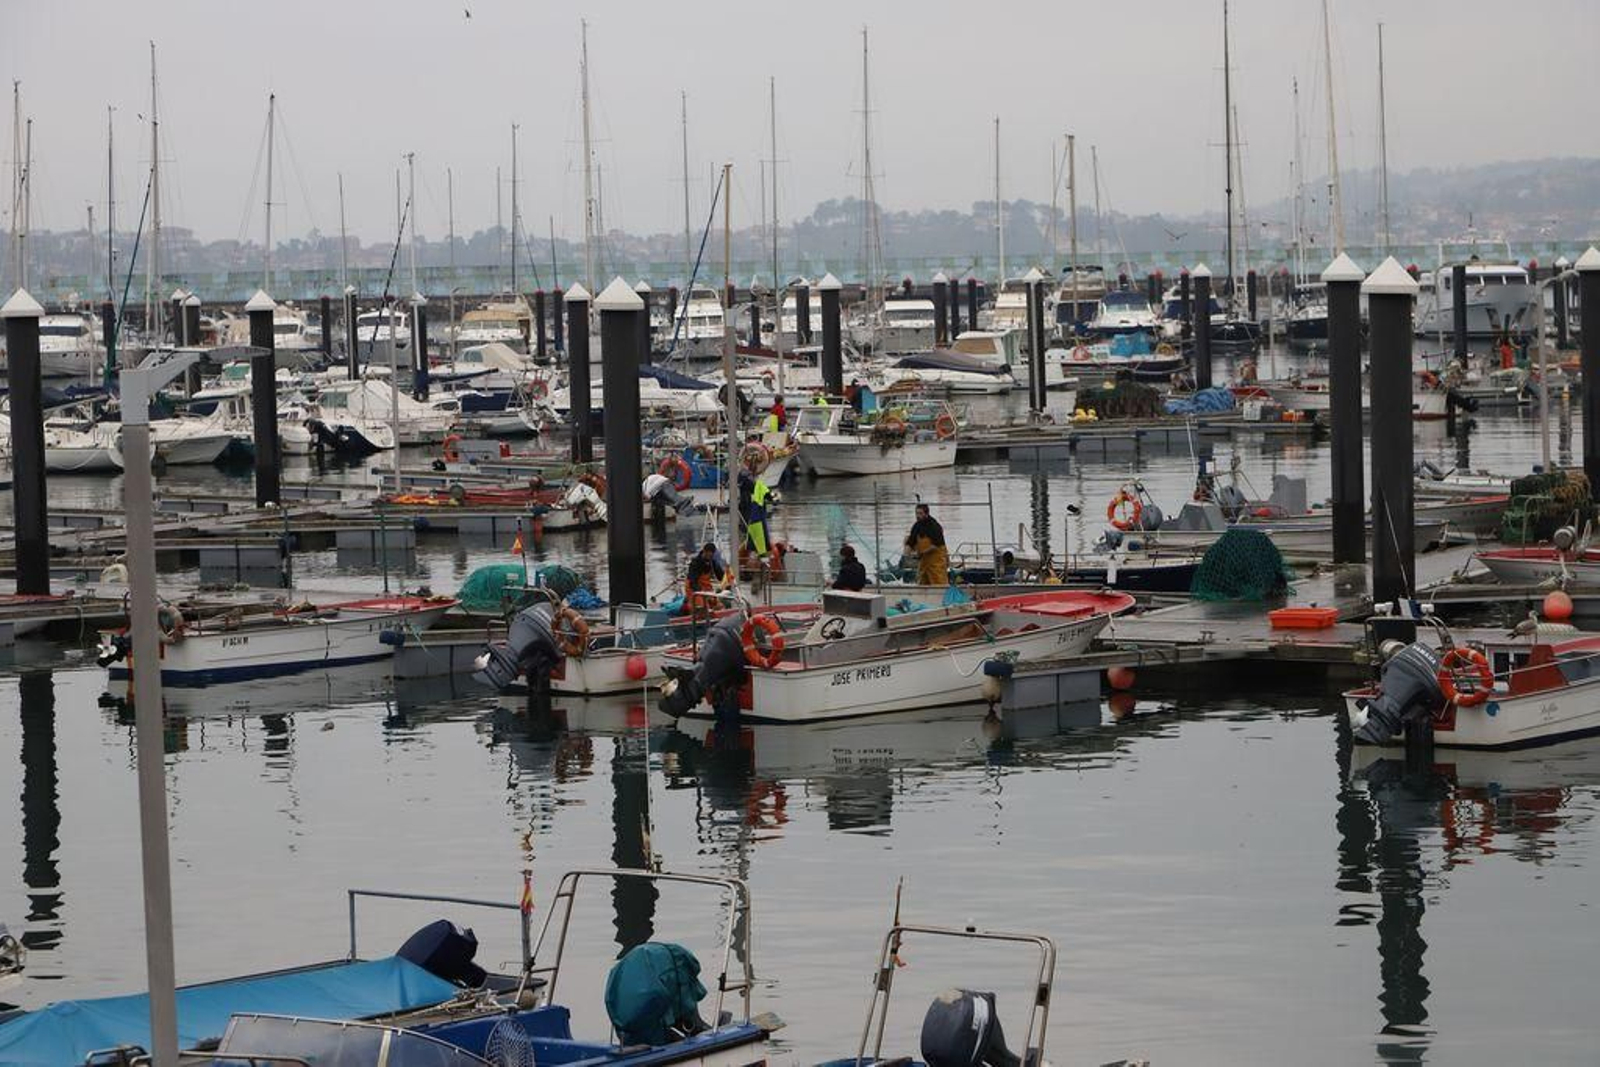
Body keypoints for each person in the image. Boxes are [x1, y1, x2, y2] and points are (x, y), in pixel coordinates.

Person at [905, 504, 949, 586]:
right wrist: (906, 554)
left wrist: (922, 552)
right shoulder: (916, 526)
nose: (918, 516)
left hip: (936, 562)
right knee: (922, 583)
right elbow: (910, 542)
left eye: (920, 513)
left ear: (926, 513)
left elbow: (936, 545)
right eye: (916, 513)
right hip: (923, 563)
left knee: (939, 583)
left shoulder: (934, 526)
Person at [684, 542, 728, 609]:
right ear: (704, 551)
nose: (709, 557)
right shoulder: (695, 563)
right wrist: (701, 592)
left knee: (719, 606)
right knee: (702, 607)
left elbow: (720, 576)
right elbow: (692, 582)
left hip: (707, 588)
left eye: (711, 555)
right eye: (707, 554)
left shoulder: (712, 562)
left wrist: (726, 578)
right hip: (694, 589)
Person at [738, 470, 772, 555]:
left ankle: (760, 557)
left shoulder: (754, 487)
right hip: (755, 519)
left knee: (757, 544)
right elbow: (770, 497)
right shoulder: (758, 486)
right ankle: (761, 556)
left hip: (754, 519)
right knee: (759, 544)